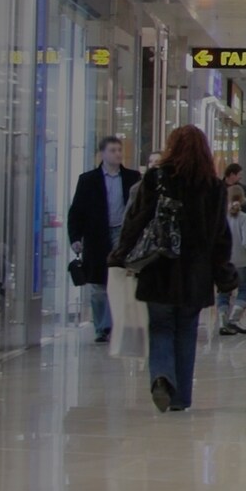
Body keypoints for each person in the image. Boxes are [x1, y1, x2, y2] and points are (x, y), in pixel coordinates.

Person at [118, 125, 230, 413]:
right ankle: (181, 399)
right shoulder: (214, 186)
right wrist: (222, 271)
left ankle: (161, 375)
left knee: (160, 326)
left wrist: (121, 255)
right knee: (186, 330)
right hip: (195, 272)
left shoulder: (156, 178)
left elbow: (136, 220)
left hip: (159, 268)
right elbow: (220, 235)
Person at [67, 136, 138, 344]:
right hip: (97, 236)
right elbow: (76, 211)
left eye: (119, 150)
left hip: (123, 234)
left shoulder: (133, 178)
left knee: (120, 278)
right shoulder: (88, 180)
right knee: (98, 285)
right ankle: (102, 327)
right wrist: (75, 238)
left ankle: (113, 324)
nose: (118, 154)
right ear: (102, 154)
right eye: (113, 150)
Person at [215, 186, 246, 335]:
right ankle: (234, 319)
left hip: (224, 259)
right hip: (241, 260)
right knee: (243, 290)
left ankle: (222, 321)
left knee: (224, 292)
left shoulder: (221, 217)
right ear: (243, 199)